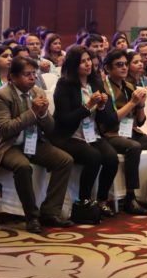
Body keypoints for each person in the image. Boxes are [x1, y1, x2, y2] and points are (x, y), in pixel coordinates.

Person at [0, 57, 74, 233]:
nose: (32, 78)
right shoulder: (0, 96)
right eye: (26, 74)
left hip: (32, 142)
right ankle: (32, 217)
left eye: (34, 74)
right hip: (5, 146)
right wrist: (33, 112)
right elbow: (5, 130)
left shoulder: (37, 92)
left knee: (65, 160)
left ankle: (51, 211)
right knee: (23, 166)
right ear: (13, 77)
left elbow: (51, 128)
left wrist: (44, 113)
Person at [100, 49, 147, 215]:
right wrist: (132, 103)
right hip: (110, 135)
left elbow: (141, 121)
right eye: (119, 65)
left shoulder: (129, 87)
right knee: (133, 147)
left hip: (132, 132)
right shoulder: (103, 89)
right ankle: (130, 198)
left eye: (125, 64)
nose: (124, 68)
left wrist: (141, 105)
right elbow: (110, 120)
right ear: (107, 68)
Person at [50, 46, 118, 218]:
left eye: (89, 60)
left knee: (111, 157)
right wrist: (87, 106)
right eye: (83, 61)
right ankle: (84, 201)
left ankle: (102, 200)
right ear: (74, 65)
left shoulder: (96, 83)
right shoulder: (64, 85)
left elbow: (109, 119)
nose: (88, 64)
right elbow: (64, 119)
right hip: (69, 135)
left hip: (91, 134)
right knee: (93, 156)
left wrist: (101, 107)